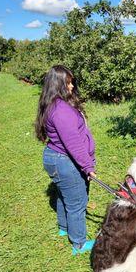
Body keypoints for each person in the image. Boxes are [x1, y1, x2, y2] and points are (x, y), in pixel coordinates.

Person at [35, 65, 96, 255]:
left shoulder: (52, 103)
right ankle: (78, 243)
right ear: (58, 84)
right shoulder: (62, 110)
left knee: (63, 194)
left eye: (71, 82)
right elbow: (74, 144)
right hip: (66, 161)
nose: (71, 87)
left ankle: (64, 227)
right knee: (77, 202)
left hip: (55, 158)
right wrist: (88, 167)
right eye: (67, 83)